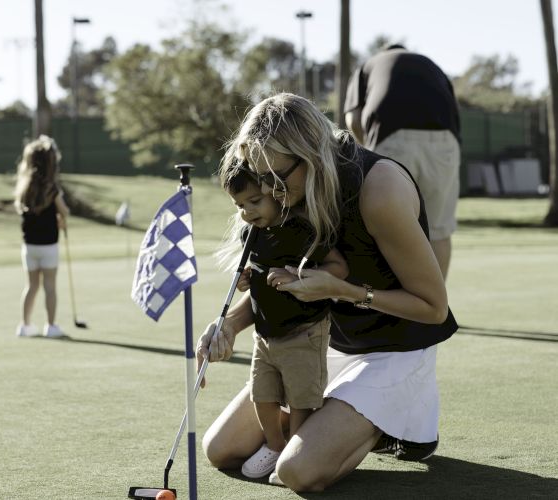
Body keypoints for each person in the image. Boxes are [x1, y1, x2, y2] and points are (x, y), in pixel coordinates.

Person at [196, 93, 458, 492]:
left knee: (297, 472)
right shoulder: (290, 189)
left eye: (277, 177)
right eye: (260, 177)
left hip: (394, 350)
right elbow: (282, 281)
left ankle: (387, 423)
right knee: (221, 449)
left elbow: (433, 308)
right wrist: (229, 324)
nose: (270, 191)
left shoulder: (379, 189)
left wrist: (341, 289)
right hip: (321, 344)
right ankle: (335, 422)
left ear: (311, 154)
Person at [220, 165, 348, 481]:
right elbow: (262, 271)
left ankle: (296, 451)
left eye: (254, 201)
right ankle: (276, 446)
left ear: (274, 193)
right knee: (262, 396)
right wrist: (250, 280)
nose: (247, 212)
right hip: (265, 336)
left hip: (304, 331)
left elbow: (338, 268)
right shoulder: (250, 234)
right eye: (240, 206)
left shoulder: (302, 231)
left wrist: (296, 276)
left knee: (302, 400)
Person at [344, 44, 461, 279]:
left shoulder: (369, 65)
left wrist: (368, 155)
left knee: (384, 227)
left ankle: (392, 306)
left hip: (392, 138)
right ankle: (435, 309)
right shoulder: (432, 66)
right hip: (445, 143)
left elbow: (353, 118)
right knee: (438, 231)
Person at [14, 135, 70, 338]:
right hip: (48, 245)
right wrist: (60, 217)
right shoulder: (52, 189)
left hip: (29, 247)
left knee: (31, 285)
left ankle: (24, 325)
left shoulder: (24, 188)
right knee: (50, 286)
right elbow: (64, 211)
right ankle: (51, 325)